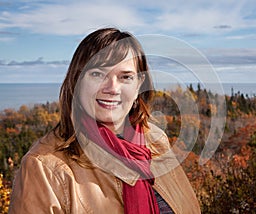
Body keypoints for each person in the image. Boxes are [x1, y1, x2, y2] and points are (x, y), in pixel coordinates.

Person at [9, 28, 200, 213]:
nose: (112, 88)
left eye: (125, 77)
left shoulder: (156, 140)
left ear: (138, 86)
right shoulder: (44, 168)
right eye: (98, 74)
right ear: (77, 82)